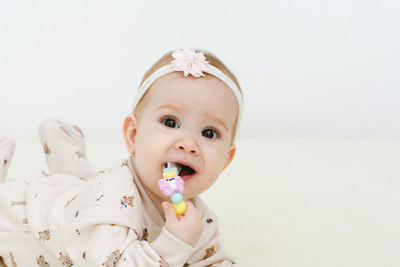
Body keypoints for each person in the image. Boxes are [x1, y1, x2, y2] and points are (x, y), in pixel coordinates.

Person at [0, 48, 244, 266]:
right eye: (170, 122)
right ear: (133, 135)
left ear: (225, 160)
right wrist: (175, 244)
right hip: (19, 216)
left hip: (82, 198)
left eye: (209, 133)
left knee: (83, 184)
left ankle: (63, 143)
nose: (189, 144)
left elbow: (211, 259)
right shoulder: (111, 201)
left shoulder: (200, 218)